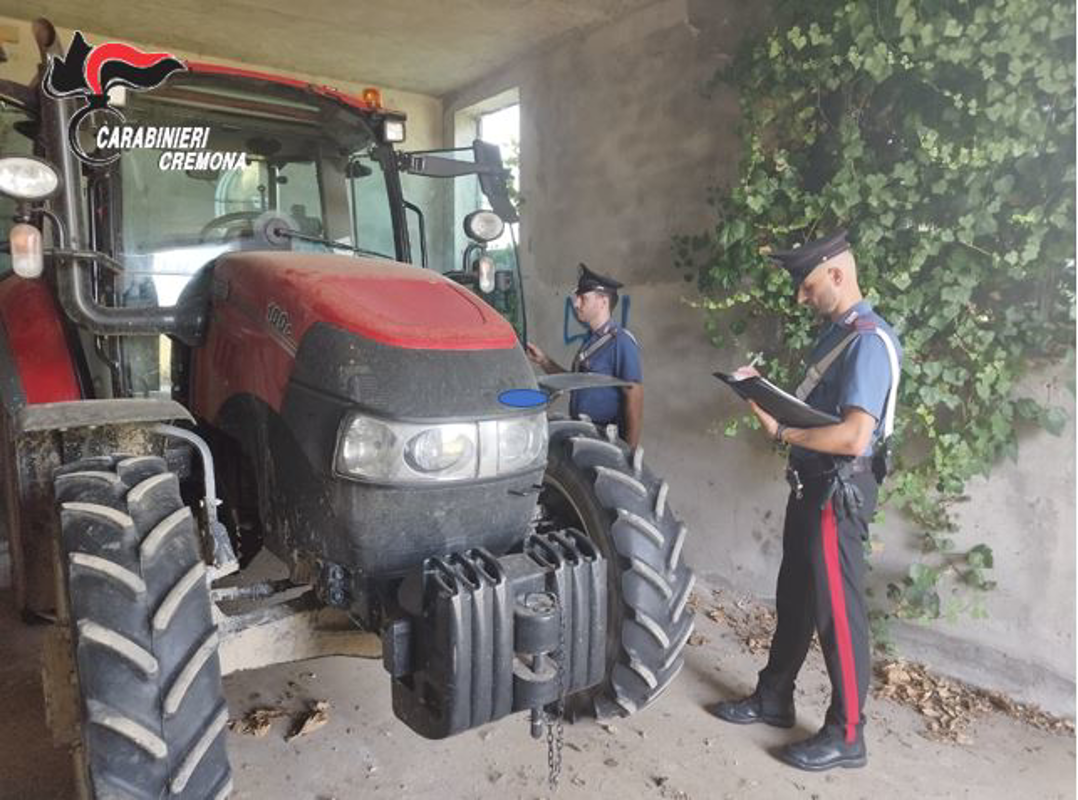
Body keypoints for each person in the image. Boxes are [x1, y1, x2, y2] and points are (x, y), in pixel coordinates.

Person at [708, 229, 902, 772]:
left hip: (837, 491)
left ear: (837, 275)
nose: (800, 296)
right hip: (812, 486)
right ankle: (774, 697)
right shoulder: (837, 334)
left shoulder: (867, 339)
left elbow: (852, 438)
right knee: (794, 597)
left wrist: (782, 434)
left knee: (837, 613)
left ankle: (847, 734)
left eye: (807, 284)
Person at [525, 264, 643, 448]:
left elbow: (634, 394)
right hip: (586, 434)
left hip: (605, 439)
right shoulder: (591, 341)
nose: (576, 303)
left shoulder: (620, 342)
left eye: (583, 298)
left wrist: (630, 452)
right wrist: (544, 361)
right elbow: (576, 383)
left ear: (603, 301)